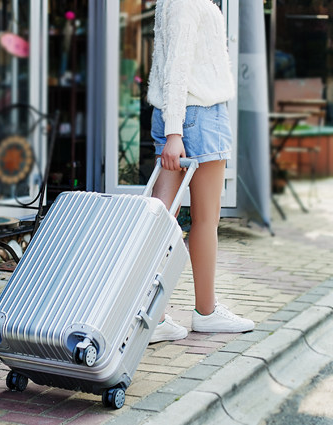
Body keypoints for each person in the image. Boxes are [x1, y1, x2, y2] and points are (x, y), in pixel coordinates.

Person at [147, 0, 255, 343]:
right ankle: (206, 312)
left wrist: (171, 128)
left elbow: (168, 65)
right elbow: (177, 66)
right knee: (205, 219)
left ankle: (152, 316)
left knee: (162, 220)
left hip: (176, 113)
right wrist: (174, 133)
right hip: (198, 114)